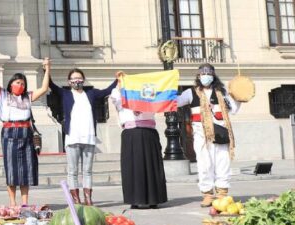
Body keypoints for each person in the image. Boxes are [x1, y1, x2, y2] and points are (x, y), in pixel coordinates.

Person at [0, 58, 51, 206]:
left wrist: (47, 69)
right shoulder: (3, 94)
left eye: (22, 83)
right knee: (11, 168)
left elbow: (44, 88)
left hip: (26, 132)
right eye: (17, 82)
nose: (20, 85)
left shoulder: (27, 96)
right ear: (11, 84)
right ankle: (12, 203)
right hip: (9, 132)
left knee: (27, 168)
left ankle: (25, 202)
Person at [49, 69, 117, 206]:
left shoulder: (91, 93)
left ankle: (88, 198)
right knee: (72, 171)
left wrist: (117, 80)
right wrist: (47, 69)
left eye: (79, 78)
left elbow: (106, 91)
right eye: (73, 79)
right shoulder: (66, 93)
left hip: (88, 138)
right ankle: (76, 199)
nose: (77, 81)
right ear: (69, 82)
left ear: (83, 80)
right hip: (72, 138)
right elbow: (51, 85)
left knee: (87, 170)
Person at [176, 63, 239, 206]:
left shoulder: (222, 93)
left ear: (213, 76)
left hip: (221, 135)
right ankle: (207, 194)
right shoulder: (190, 93)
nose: (206, 77)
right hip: (201, 137)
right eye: (203, 74)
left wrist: (240, 96)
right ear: (198, 76)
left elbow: (234, 109)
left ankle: (222, 194)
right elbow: (175, 102)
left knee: (223, 164)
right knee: (204, 166)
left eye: (209, 74)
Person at [111, 72, 168, 209]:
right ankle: (134, 199)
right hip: (131, 132)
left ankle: (154, 199)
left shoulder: (146, 90)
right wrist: (120, 82)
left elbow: (159, 97)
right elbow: (116, 98)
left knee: (152, 166)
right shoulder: (118, 92)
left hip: (149, 131)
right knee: (133, 167)